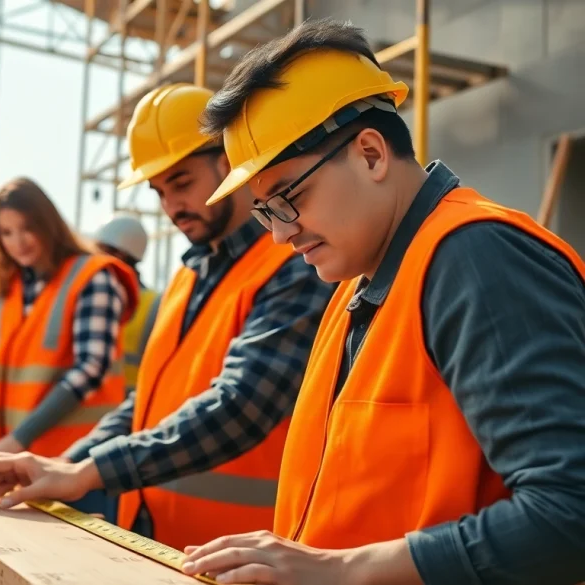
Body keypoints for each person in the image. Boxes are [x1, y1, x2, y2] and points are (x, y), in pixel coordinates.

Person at [172, 19, 585, 585]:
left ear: (370, 153)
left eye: (288, 198)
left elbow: (569, 514)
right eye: (264, 211)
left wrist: (339, 570)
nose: (279, 235)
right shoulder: (356, 287)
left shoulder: (476, 258)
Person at [0, 84, 334, 552]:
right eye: (159, 191)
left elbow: (241, 406)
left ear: (230, 160)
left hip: (241, 553)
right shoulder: (185, 278)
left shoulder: (293, 268)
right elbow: (147, 404)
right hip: (156, 541)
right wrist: (63, 464)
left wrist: (87, 472)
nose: (171, 207)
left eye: (182, 183)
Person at [0, 177, 141, 493]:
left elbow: (91, 369)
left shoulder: (93, 277)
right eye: (7, 233)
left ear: (48, 223)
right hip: (9, 467)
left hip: (76, 470)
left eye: (27, 228)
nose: (19, 242)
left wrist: (18, 438)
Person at [93, 213, 160, 398]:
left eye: (99, 250)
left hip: (131, 416)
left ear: (119, 254)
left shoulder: (155, 306)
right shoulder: (93, 299)